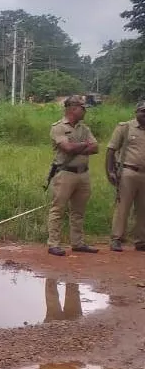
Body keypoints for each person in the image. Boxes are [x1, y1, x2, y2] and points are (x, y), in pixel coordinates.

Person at [46, 95, 99, 256]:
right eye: (83, 108)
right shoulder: (58, 127)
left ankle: (77, 243)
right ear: (74, 109)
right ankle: (53, 243)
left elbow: (96, 148)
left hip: (83, 174)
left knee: (78, 211)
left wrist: (78, 146)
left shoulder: (84, 128)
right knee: (58, 209)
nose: (85, 112)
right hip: (65, 173)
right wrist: (84, 145)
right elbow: (67, 148)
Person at [105, 100, 145, 252]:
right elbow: (111, 150)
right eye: (143, 112)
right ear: (136, 113)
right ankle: (116, 238)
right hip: (128, 172)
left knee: (143, 209)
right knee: (123, 207)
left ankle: (141, 241)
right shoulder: (125, 127)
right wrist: (110, 171)